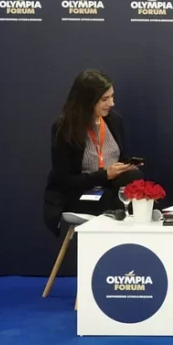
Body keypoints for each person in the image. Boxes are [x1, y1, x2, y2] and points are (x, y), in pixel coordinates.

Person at [43, 69, 143, 234]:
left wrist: (126, 166)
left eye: (112, 97)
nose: (112, 103)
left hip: (108, 186)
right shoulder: (65, 129)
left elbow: (118, 157)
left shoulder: (114, 120)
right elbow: (64, 181)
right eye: (105, 99)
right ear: (87, 100)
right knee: (108, 200)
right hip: (78, 192)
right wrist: (104, 175)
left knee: (135, 179)